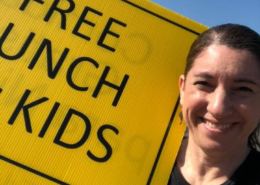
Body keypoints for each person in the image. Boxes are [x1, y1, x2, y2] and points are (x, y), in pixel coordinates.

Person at [168, 24, 260, 185]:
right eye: (204, 83)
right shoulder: (126, 162)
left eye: (243, 89)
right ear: (182, 89)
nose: (218, 108)